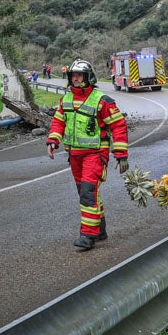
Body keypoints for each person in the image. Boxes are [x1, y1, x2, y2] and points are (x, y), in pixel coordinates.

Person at [45, 58, 129, 252]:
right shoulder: (66, 99)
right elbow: (59, 122)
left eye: (79, 75)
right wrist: (53, 140)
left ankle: (88, 236)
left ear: (88, 77)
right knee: (87, 193)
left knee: (87, 193)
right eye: (73, 75)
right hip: (74, 156)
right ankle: (100, 230)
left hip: (96, 154)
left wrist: (121, 153)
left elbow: (118, 125)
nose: (76, 79)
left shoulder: (102, 100)